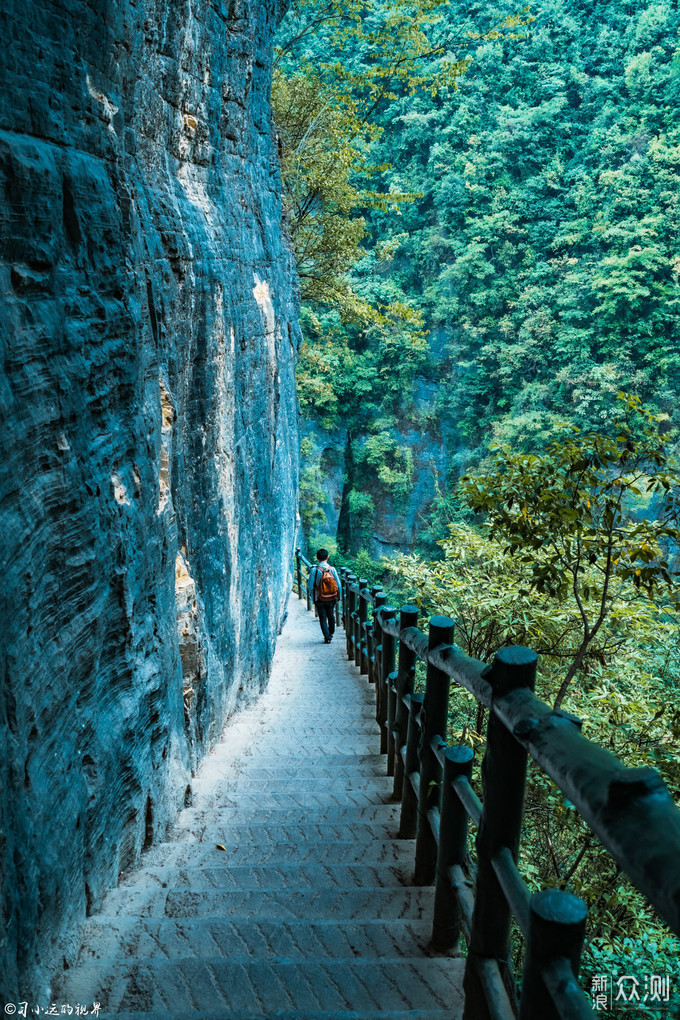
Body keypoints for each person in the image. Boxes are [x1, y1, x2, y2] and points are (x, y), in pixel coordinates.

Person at [306, 548, 341, 643]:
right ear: (327, 557)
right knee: (331, 615)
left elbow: (309, 586)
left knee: (322, 617)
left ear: (317, 558)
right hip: (331, 597)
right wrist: (339, 596)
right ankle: (331, 632)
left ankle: (327, 637)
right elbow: (338, 584)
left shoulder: (314, 570)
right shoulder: (332, 569)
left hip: (319, 598)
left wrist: (311, 595)